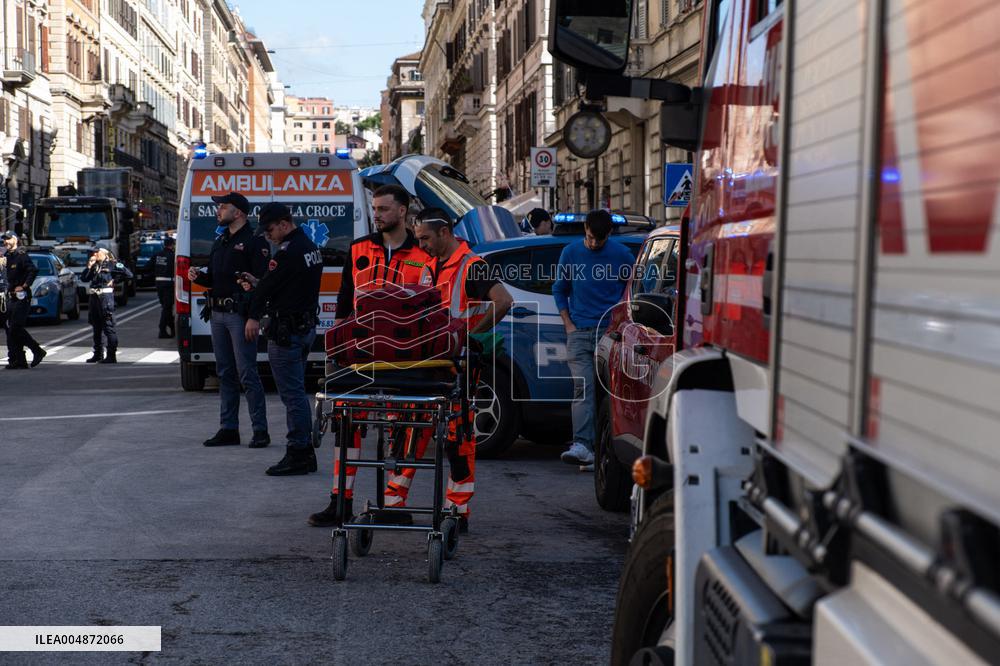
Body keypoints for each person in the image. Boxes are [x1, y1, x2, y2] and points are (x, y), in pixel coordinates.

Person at [309, 184, 432, 527]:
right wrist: (337, 347)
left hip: (408, 356)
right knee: (347, 421)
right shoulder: (359, 248)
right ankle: (340, 501)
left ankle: (394, 501)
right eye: (374, 209)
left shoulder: (424, 254)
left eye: (383, 209)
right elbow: (345, 300)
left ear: (403, 211)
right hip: (362, 353)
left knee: (407, 426)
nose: (376, 215)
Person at [413, 207, 514, 532]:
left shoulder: (473, 267)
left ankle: (457, 510)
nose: (422, 245)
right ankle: (394, 502)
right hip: (430, 364)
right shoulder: (429, 266)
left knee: (459, 437)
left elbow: (503, 301)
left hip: (460, 367)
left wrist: (470, 337)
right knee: (413, 431)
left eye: (425, 238)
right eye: (418, 239)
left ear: (444, 232)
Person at [240, 202, 323, 476]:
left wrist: (253, 316)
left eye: (270, 230)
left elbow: (268, 288)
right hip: (304, 328)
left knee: (292, 396)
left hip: (287, 332)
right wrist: (260, 281)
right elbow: (285, 283)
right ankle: (305, 453)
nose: (268, 236)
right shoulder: (309, 247)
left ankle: (298, 452)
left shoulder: (288, 252)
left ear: (285, 224)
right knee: (297, 392)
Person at [552, 209, 635, 469]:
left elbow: (632, 289)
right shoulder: (570, 253)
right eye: (589, 237)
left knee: (611, 392)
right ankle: (582, 446)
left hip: (609, 333)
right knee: (582, 388)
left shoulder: (622, 255)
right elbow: (560, 289)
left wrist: (619, 320)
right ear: (585, 229)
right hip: (579, 332)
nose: (593, 243)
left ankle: (606, 450)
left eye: (599, 239)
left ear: (609, 234)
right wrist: (568, 324)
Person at [187, 192, 270, 449]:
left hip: (239, 316)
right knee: (225, 373)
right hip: (218, 314)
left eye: (223, 206)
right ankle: (229, 428)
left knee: (247, 373)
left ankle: (260, 430)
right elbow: (215, 278)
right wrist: (199, 277)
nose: (218, 210)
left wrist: (254, 317)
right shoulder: (221, 240)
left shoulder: (254, 241)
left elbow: (262, 284)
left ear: (239, 212)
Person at [80, 247, 133, 364]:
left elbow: (129, 274)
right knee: (96, 327)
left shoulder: (113, 264)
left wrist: (114, 281)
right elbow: (84, 278)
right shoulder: (94, 265)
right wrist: (89, 266)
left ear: (105, 254)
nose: (94, 254)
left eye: (97, 252)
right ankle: (98, 354)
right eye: (94, 253)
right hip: (94, 298)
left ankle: (111, 355)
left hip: (105, 298)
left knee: (108, 327)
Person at [2, 231, 45, 369]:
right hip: (9, 298)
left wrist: (24, 285)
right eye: (4, 240)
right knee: (10, 330)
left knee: (15, 327)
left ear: (15, 239)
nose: (6, 242)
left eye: (8, 239)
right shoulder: (6, 257)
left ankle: (37, 350)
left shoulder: (21, 255)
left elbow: (33, 270)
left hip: (21, 297)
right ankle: (18, 360)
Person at [153, 236, 176, 338]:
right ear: (172, 245)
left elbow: (148, 267)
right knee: (167, 308)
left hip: (159, 284)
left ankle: (172, 328)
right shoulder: (172, 256)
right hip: (169, 284)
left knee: (166, 307)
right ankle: (162, 330)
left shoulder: (157, 255)